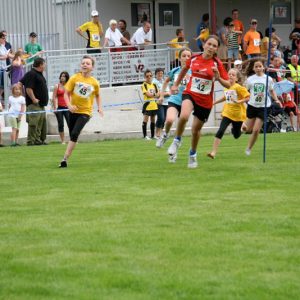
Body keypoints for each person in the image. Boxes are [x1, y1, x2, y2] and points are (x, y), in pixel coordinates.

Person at [168, 35, 230, 168]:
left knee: (196, 130)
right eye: (209, 44)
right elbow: (184, 69)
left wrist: (218, 78)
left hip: (205, 100)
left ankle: (192, 154)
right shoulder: (194, 58)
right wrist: (175, 85)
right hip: (190, 93)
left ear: (216, 49)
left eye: (214, 46)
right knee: (184, 115)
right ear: (204, 45)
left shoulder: (217, 63)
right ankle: (177, 140)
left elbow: (229, 85)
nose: (211, 47)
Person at [59, 55, 103, 168]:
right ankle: (66, 157)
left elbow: (98, 95)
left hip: (85, 112)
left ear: (92, 67)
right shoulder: (74, 78)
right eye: (83, 63)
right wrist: (69, 105)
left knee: (74, 134)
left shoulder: (94, 82)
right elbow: (66, 93)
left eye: (87, 63)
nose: (84, 65)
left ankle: (64, 159)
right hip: (73, 111)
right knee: (72, 134)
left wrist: (100, 107)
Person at [242, 58, 282, 155]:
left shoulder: (268, 79)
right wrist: (243, 99)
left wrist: (276, 100)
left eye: (260, 66)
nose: (258, 68)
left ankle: (249, 148)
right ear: (254, 68)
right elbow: (244, 91)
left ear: (263, 68)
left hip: (264, 106)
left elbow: (272, 91)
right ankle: (241, 125)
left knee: (256, 130)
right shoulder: (250, 80)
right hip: (252, 105)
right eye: (256, 67)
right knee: (247, 129)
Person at [207, 68, 250, 159]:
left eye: (233, 75)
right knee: (221, 130)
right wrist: (214, 102)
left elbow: (247, 97)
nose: (230, 76)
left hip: (238, 115)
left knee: (236, 135)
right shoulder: (226, 86)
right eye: (229, 74)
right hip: (227, 113)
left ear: (237, 79)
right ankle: (213, 152)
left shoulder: (239, 87)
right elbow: (225, 97)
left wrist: (239, 101)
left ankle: (242, 126)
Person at [156, 48, 192, 149]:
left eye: (188, 56)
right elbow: (165, 82)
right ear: (179, 58)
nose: (186, 58)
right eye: (184, 56)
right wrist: (162, 95)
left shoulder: (193, 71)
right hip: (175, 99)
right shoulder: (175, 70)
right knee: (170, 120)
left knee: (180, 126)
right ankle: (165, 135)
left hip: (187, 102)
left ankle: (175, 148)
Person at [20, 57, 49, 146]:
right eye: (44, 64)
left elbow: (20, 83)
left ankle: (38, 140)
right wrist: (33, 99)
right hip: (34, 104)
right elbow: (28, 88)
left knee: (41, 124)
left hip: (41, 105)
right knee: (34, 123)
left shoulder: (39, 74)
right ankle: (31, 142)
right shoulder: (31, 74)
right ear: (40, 64)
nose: (45, 66)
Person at [52, 71, 70, 144]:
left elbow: (71, 96)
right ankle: (63, 141)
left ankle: (73, 139)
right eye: (62, 76)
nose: (62, 77)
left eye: (64, 76)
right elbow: (54, 97)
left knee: (70, 124)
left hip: (67, 107)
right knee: (61, 124)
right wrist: (55, 107)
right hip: (59, 107)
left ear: (67, 78)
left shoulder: (69, 86)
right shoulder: (57, 86)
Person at [141, 69, 159, 140]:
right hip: (147, 105)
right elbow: (148, 94)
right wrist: (154, 95)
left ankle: (152, 135)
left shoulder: (154, 85)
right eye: (147, 76)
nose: (149, 77)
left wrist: (154, 95)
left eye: (150, 76)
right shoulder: (144, 85)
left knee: (153, 120)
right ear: (145, 77)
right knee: (145, 120)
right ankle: (145, 135)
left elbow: (159, 94)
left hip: (154, 104)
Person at [152, 68, 170, 139]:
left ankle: (160, 133)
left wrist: (163, 93)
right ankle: (157, 134)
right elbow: (157, 94)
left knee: (164, 119)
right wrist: (165, 94)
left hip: (167, 102)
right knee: (161, 118)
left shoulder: (164, 81)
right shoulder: (154, 82)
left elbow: (169, 92)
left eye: (161, 73)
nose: (160, 75)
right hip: (159, 102)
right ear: (155, 74)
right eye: (158, 73)